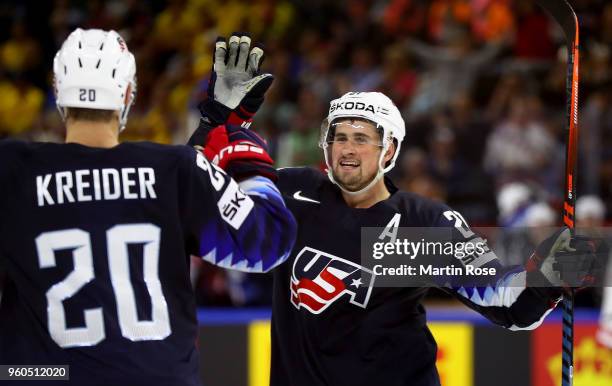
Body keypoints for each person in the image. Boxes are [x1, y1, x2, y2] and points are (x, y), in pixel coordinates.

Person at [191, 37, 605, 386]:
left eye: (362, 138)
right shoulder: (293, 192)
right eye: (339, 137)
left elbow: (507, 303)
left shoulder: (417, 227)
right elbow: (190, 184)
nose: (347, 149)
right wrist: (217, 118)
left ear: (389, 150)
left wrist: (549, 277)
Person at [0, 29, 296, 386]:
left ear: (59, 91)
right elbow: (267, 243)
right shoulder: (172, 170)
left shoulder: (12, 169)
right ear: (127, 93)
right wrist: (236, 142)